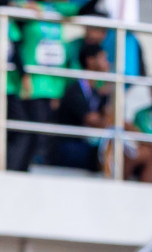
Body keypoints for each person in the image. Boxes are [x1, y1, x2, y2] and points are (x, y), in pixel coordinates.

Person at [7, 1, 81, 173]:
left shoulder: (57, 9)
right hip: (26, 84)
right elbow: (15, 42)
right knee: (25, 133)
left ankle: (22, 171)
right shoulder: (22, 6)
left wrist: (58, 89)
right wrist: (23, 74)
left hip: (50, 86)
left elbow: (82, 8)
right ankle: (13, 172)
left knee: (36, 135)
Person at [50, 42, 111, 173]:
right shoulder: (75, 90)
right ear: (90, 61)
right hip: (68, 148)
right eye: (103, 58)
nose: (108, 63)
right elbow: (93, 121)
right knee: (113, 156)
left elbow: (104, 118)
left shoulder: (96, 92)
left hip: (83, 146)